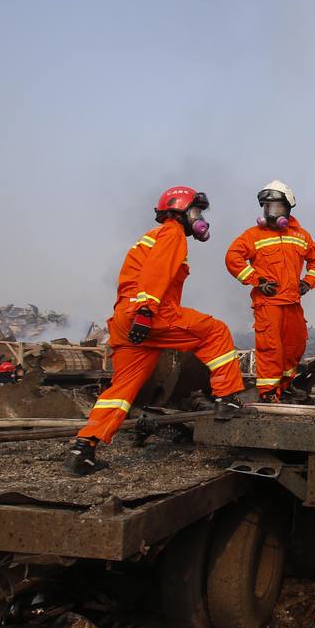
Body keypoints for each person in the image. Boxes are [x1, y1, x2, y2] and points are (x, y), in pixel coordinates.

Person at [65, 186, 246, 476]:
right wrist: (147, 310)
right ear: (181, 209)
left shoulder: (150, 237)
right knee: (216, 331)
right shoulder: (172, 232)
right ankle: (227, 400)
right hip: (150, 313)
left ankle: (83, 449)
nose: (199, 218)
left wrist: (139, 312)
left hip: (125, 319)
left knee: (121, 390)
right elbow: (157, 272)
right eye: (196, 211)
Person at [224, 181, 315, 401]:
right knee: (271, 348)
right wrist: (256, 280)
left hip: (292, 302)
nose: (270, 212)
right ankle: (269, 391)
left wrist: (308, 281)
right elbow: (233, 258)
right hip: (268, 303)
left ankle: (285, 385)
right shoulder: (253, 235)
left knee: (295, 346)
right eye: (267, 207)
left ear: (288, 208)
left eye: (276, 207)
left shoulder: (302, 236)